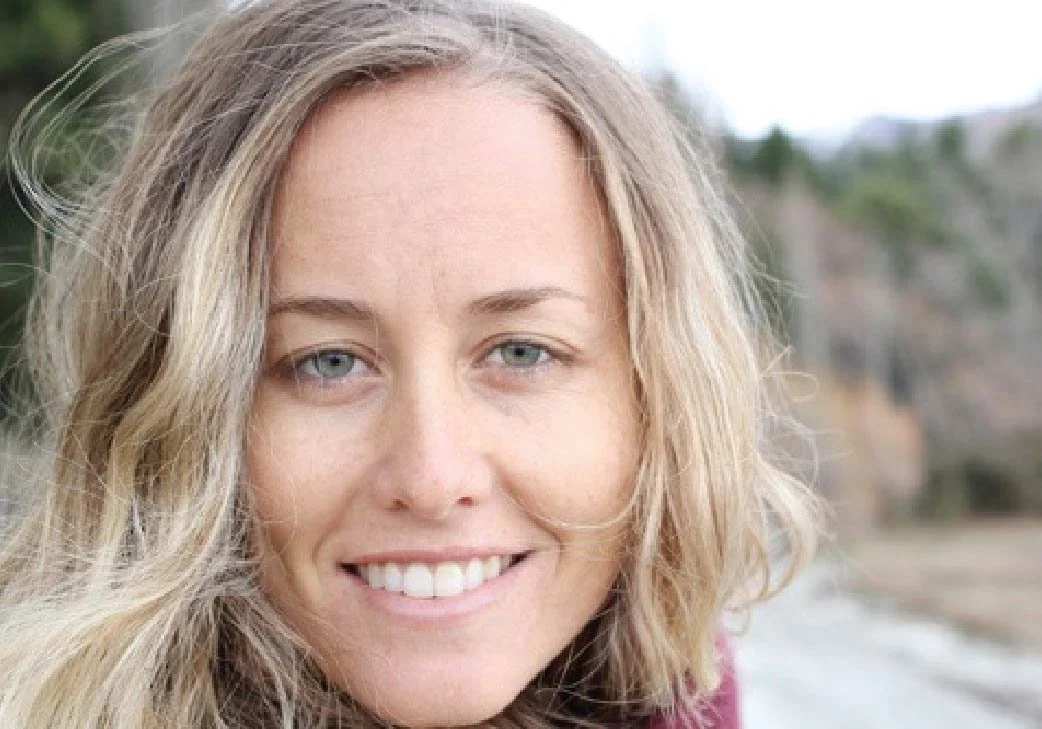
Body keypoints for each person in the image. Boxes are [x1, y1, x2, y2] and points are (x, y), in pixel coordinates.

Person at [0, 1, 820, 727]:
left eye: (521, 351)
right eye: (328, 362)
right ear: (179, 405)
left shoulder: (686, 698)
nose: (432, 479)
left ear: (657, 395)